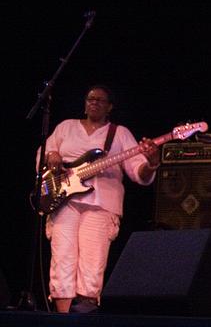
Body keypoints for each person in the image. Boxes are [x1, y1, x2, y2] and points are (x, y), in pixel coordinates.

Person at [40, 85, 160, 313]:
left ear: (110, 107)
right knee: (62, 261)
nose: (94, 102)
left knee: (92, 264)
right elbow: (44, 153)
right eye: (90, 99)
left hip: (101, 205)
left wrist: (152, 163)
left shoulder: (120, 133)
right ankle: (62, 318)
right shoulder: (66, 127)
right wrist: (51, 155)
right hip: (64, 201)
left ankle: (85, 316)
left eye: (100, 100)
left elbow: (138, 172)